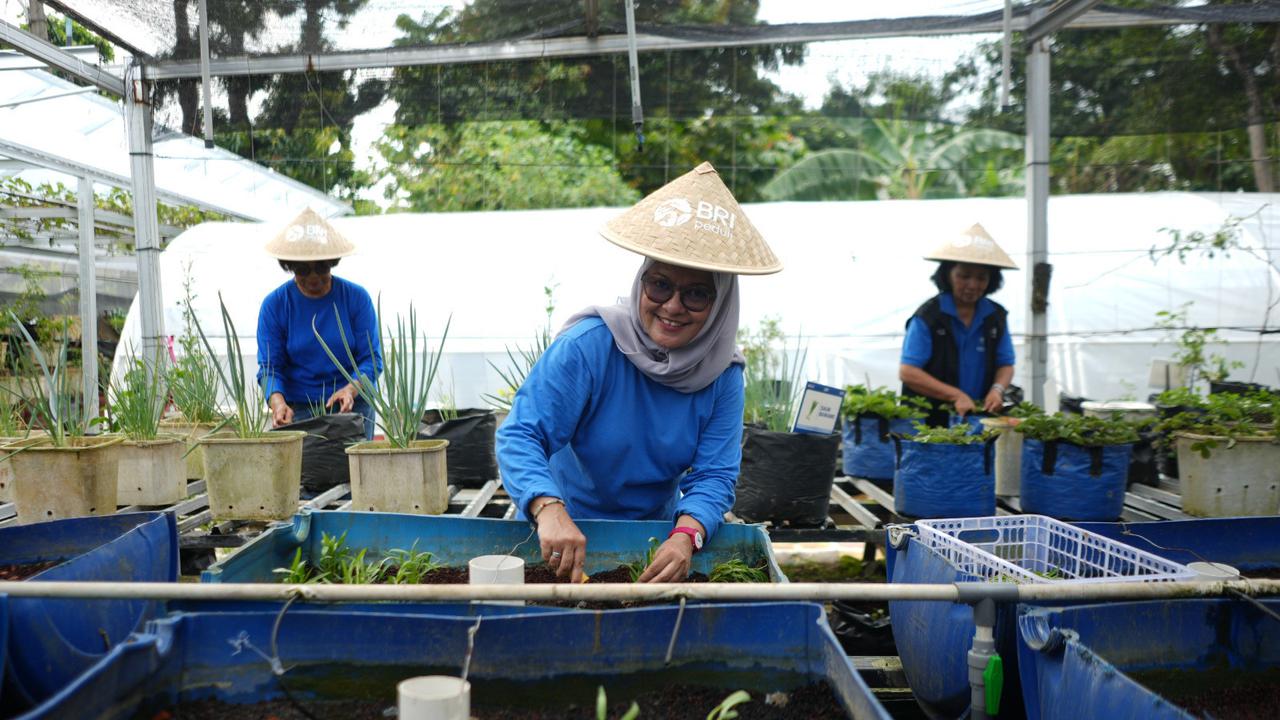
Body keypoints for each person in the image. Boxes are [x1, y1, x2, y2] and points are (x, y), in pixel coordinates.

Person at [497, 162, 782, 584]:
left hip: (653, 533)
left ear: (720, 305)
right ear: (641, 282)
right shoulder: (591, 345)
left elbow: (715, 474)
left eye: (697, 294)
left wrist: (688, 533)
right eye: (660, 285)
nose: (671, 306)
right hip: (563, 526)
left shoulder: (722, 375)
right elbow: (521, 434)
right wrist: (547, 508)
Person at [257, 208, 382, 440]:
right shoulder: (275, 305)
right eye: (304, 269)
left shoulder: (355, 298)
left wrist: (350, 389)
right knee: (305, 474)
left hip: (352, 407)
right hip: (300, 410)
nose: (314, 277)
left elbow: (372, 360)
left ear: (332, 263)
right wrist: (278, 403)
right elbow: (270, 368)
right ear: (290, 267)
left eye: (322, 267)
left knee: (353, 472)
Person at [899, 223, 1018, 427]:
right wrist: (955, 395)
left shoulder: (995, 316)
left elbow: (1005, 364)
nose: (973, 285)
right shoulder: (929, 316)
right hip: (929, 422)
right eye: (964, 276)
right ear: (948, 275)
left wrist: (997, 390)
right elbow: (908, 372)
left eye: (981, 277)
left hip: (977, 417)